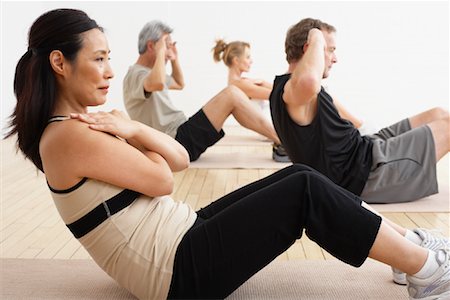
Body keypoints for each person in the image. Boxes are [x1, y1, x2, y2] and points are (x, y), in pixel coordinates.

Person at [7, 9, 450, 300]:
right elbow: (163, 180)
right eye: (99, 59)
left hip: (181, 237)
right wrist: (135, 131)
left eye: (109, 59)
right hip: (176, 272)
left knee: (296, 173)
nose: (107, 72)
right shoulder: (67, 136)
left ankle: (408, 250)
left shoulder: (79, 128)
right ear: (60, 63)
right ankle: (427, 269)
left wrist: (133, 128)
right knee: (304, 189)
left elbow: (178, 158)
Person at [270, 18, 450, 205]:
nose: (335, 58)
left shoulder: (291, 89)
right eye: (330, 49)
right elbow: (309, 81)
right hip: (367, 174)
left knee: (438, 114)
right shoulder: (297, 92)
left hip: (365, 150)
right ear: (309, 48)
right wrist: (316, 36)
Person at [123, 21, 288, 163]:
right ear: (152, 46)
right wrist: (161, 52)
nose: (168, 51)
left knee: (233, 96)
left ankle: (281, 143)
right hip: (173, 141)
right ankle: (285, 142)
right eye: (167, 46)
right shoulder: (136, 75)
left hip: (179, 135)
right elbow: (158, 83)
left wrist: (174, 58)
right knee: (232, 93)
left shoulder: (149, 74)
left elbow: (179, 83)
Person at [211, 39, 291, 162]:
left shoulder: (242, 82)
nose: (251, 61)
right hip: (269, 127)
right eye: (248, 57)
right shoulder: (240, 85)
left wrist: (263, 82)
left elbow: (279, 91)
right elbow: (279, 95)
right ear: (236, 60)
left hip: (269, 123)